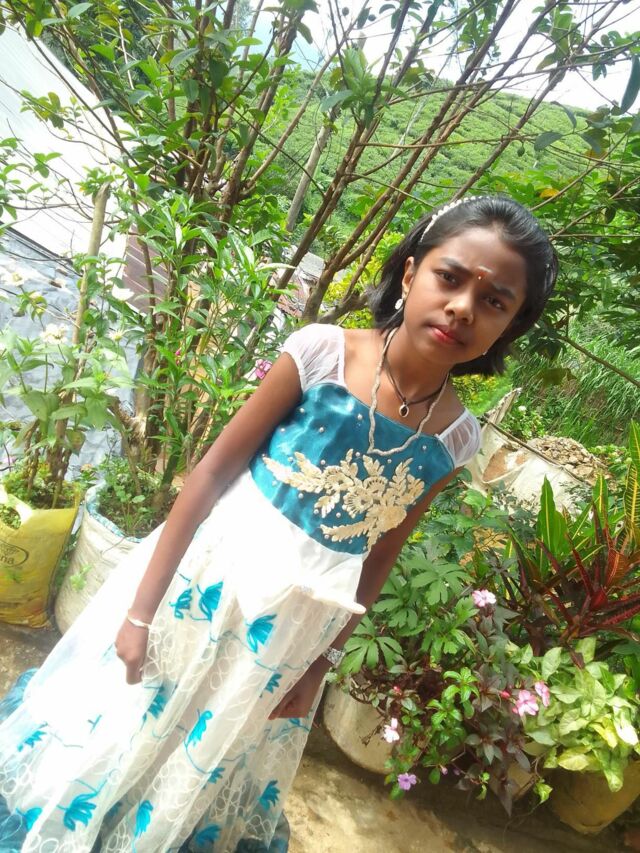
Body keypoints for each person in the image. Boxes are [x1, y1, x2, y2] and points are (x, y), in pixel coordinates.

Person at [0, 194, 558, 852]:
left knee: (210, 745)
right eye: (450, 277)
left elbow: (379, 558)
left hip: (288, 634)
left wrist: (320, 665)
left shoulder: (456, 438)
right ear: (410, 273)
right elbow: (211, 472)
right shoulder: (323, 355)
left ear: (510, 325)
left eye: (494, 301)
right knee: (132, 717)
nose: (463, 306)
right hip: (204, 587)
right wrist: (140, 613)